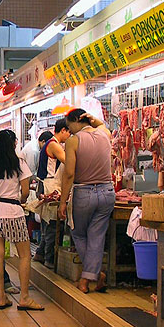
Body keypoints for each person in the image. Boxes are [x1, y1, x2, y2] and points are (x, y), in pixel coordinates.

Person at [0, 129, 44, 311]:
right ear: (13, 144)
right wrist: (20, 200)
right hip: (13, 212)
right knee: (24, 255)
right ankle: (24, 298)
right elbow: (24, 192)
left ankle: (1, 297)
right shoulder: (19, 163)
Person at [58, 109, 115, 294]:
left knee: (79, 234)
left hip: (84, 192)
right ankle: (95, 276)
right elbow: (102, 126)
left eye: (69, 125)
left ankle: (87, 278)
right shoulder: (105, 134)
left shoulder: (74, 141)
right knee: (97, 236)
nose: (69, 130)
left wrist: (63, 201)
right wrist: (94, 119)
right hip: (107, 192)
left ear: (76, 121)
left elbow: (69, 174)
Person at [33, 119, 70, 267]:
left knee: (48, 224)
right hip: (50, 186)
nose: (69, 136)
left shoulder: (52, 144)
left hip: (47, 186)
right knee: (53, 225)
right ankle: (49, 260)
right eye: (69, 132)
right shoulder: (54, 145)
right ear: (63, 131)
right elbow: (69, 161)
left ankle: (40, 254)